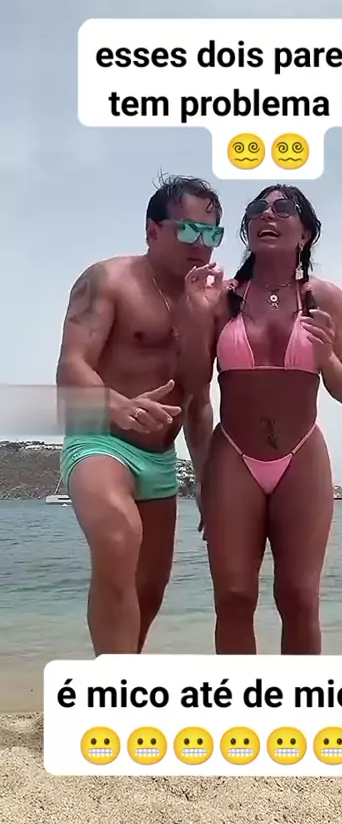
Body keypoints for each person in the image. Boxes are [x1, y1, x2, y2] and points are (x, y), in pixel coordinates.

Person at [56, 175, 224, 655]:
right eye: (189, 230)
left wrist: (207, 480)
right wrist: (120, 406)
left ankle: (121, 674)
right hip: (100, 440)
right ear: (153, 230)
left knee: (149, 590)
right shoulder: (107, 280)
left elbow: (198, 400)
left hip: (161, 459)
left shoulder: (212, 306)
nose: (201, 244)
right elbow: (71, 366)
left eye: (211, 233)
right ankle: (114, 682)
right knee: (118, 538)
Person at [201, 184, 342, 655]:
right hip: (233, 455)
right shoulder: (220, 299)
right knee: (233, 597)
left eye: (283, 208)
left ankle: (299, 699)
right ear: (247, 228)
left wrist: (328, 359)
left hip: (301, 455)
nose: (267, 215)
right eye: (257, 209)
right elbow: (192, 386)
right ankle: (240, 698)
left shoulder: (326, 299)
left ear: (305, 233)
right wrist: (190, 314)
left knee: (299, 597)